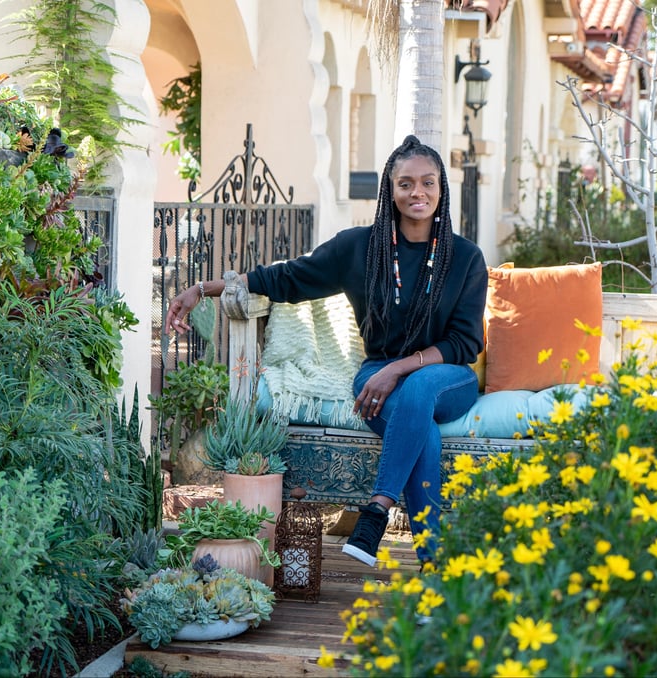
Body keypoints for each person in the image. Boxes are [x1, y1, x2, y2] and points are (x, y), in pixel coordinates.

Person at [167, 135, 487, 566]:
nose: (418, 193)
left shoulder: (465, 257)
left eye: (428, 183)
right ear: (389, 191)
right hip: (378, 377)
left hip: (447, 377)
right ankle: (436, 567)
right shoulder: (360, 249)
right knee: (420, 428)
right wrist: (202, 288)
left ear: (441, 189)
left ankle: (376, 508)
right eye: (406, 183)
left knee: (418, 389)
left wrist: (397, 370)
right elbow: (286, 278)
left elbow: (465, 342)